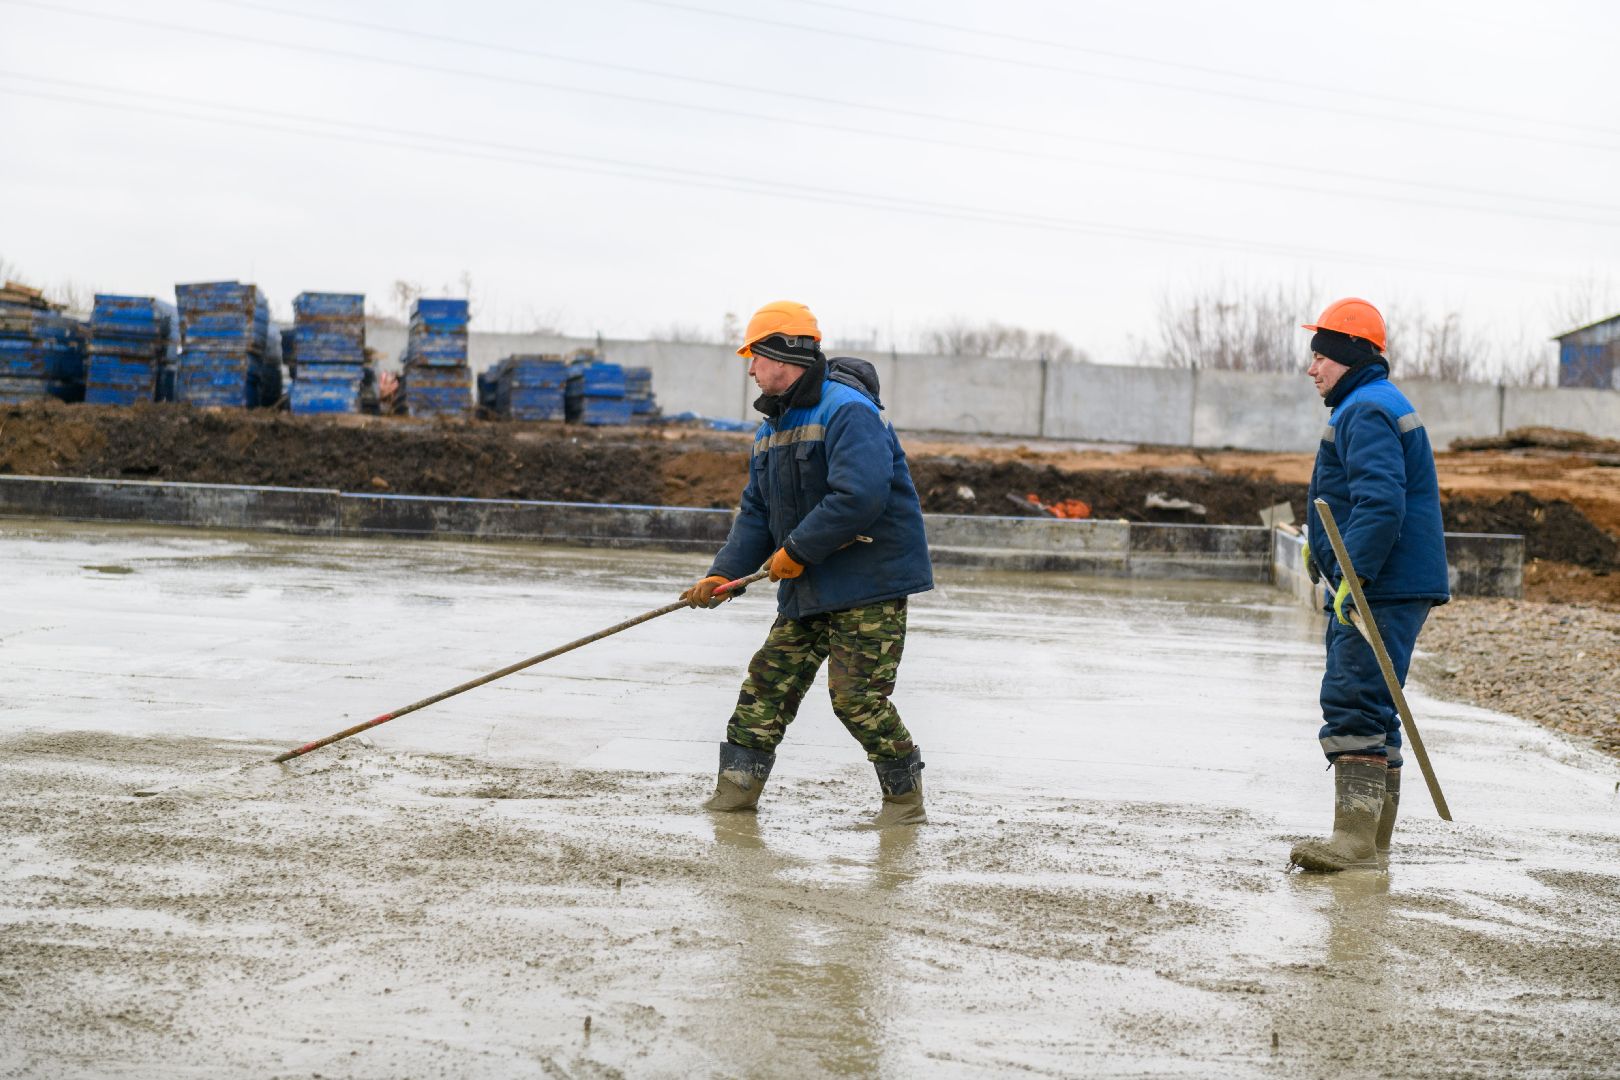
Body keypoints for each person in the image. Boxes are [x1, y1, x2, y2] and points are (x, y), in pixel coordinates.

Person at [681, 300, 935, 828]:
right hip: (809, 584)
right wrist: (723, 574)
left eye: (754, 355)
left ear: (781, 351)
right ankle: (734, 795)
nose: (750, 368)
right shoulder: (773, 426)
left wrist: (796, 551)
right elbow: (756, 511)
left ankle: (905, 802)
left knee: (856, 698)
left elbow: (858, 497)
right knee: (767, 683)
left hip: (868, 579)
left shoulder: (847, 410)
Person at [1291, 297, 1450, 872]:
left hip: (1380, 584)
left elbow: (1381, 504)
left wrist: (1352, 576)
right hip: (1397, 580)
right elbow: (1364, 499)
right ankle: (1372, 845)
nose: (1312, 369)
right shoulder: (1377, 402)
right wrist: (1322, 547)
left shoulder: (1364, 410)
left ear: (1348, 356)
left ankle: (1354, 842)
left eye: (1321, 357)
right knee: (1379, 706)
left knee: (1354, 695)